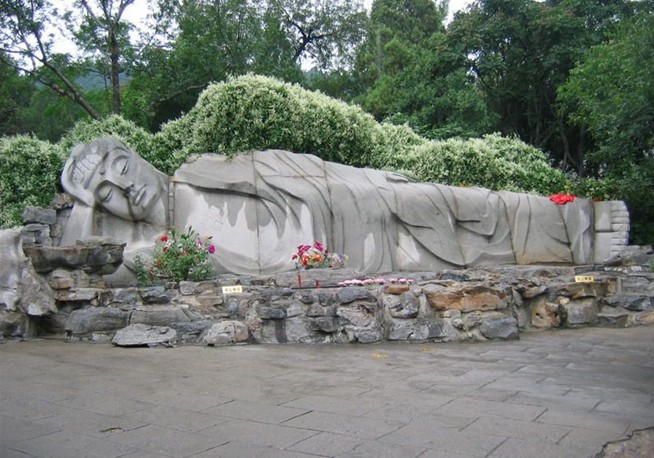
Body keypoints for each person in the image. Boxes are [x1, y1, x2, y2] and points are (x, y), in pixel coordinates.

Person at [60, 137, 595, 278]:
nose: (125, 189)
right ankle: (560, 234)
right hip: (354, 255)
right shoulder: (156, 253)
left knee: (433, 197)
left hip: (346, 201)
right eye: (105, 193)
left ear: (135, 156)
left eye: (120, 167)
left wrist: (355, 181)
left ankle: (563, 219)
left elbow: (289, 167)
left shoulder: (203, 168)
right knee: (459, 251)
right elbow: (81, 257)